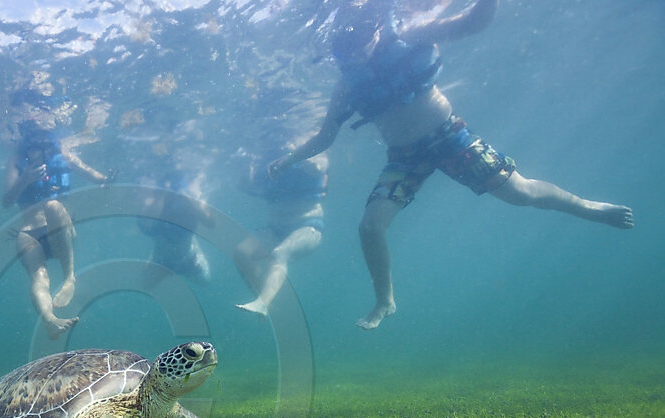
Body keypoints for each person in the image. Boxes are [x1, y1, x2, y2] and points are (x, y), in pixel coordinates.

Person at [269, 0, 633, 330]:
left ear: (375, 27)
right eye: (345, 52)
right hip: (404, 158)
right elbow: (324, 137)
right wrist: (288, 160)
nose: (356, 56)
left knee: (519, 192)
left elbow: (473, 23)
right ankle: (385, 301)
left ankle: (588, 208)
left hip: (450, 136)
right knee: (369, 227)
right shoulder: (346, 85)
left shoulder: (409, 34)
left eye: (360, 42)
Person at [2, 121, 109, 339]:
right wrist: (25, 179)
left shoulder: (65, 155)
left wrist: (106, 180)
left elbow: (96, 177)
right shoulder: (16, 161)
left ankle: (69, 277)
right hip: (30, 231)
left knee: (52, 206)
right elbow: (6, 200)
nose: (40, 149)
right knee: (38, 277)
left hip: (60, 230)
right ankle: (50, 321)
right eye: (34, 144)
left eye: (44, 143)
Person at [236, 152, 329, 316]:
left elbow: (318, 167)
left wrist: (294, 153)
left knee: (281, 253)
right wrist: (247, 166)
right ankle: (265, 299)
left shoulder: (316, 152)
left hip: (308, 225)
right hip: (275, 228)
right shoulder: (270, 158)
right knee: (241, 252)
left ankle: (262, 303)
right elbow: (245, 187)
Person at [136, 170, 213, 288]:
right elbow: (145, 226)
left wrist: (187, 195)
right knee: (144, 285)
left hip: (188, 257)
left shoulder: (192, 191)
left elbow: (210, 223)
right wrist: (160, 195)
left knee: (206, 282)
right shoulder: (152, 196)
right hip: (161, 255)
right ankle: (172, 262)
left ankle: (189, 251)